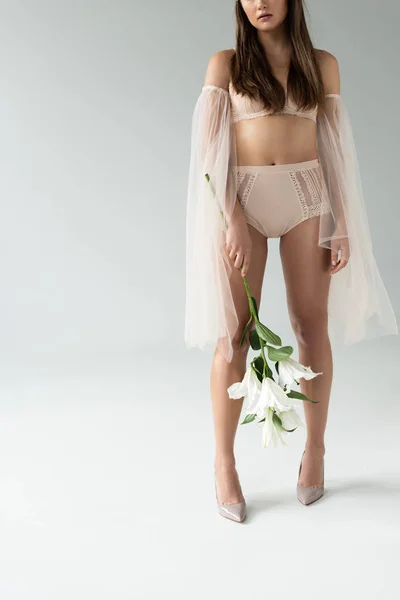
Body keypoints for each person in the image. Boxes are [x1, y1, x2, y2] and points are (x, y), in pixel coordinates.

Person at [184, 0, 398, 522]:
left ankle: (316, 450)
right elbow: (209, 152)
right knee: (233, 334)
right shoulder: (226, 64)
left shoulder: (322, 65)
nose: (260, 2)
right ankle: (224, 462)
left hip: (307, 197)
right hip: (243, 200)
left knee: (309, 326)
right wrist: (230, 216)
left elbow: (334, 149)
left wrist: (341, 221)